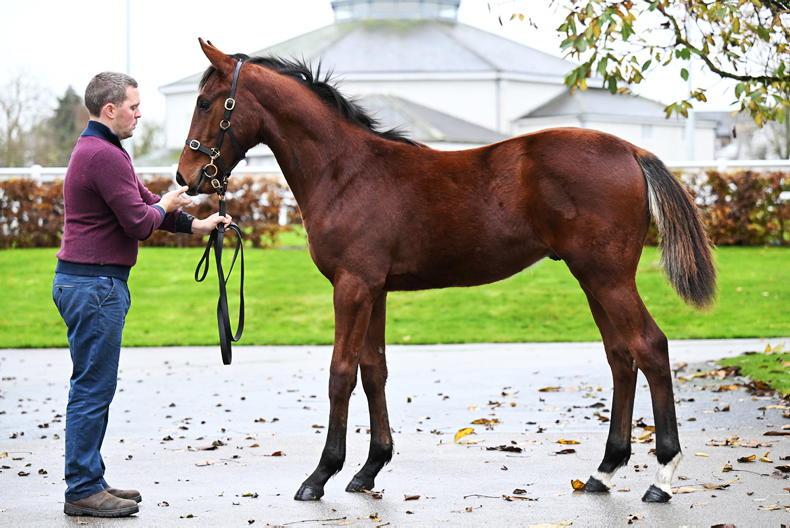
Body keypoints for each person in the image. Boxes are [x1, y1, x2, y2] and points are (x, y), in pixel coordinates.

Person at [52, 72, 231, 518]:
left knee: (93, 385)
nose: (139, 113)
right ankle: (83, 489)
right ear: (109, 109)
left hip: (91, 283)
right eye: (133, 105)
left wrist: (196, 223)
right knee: (93, 388)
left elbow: (145, 203)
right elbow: (140, 221)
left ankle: (89, 478)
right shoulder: (103, 155)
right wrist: (166, 207)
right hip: (94, 285)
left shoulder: (103, 151)